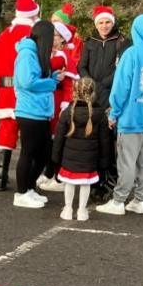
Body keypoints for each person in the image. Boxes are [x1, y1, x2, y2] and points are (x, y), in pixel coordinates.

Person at [96, 14, 143, 216]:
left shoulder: (131, 54)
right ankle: (140, 199)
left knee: (126, 161)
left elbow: (121, 87)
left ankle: (119, 200)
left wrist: (114, 111)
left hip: (130, 118)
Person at [0, 0, 41, 191]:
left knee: (6, 133)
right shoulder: (35, 36)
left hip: (5, 91)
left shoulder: (3, 35)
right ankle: (29, 180)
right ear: (34, 14)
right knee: (31, 137)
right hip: (28, 91)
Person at [11, 21, 64, 209]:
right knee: (28, 153)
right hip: (29, 111)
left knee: (43, 154)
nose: (56, 40)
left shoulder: (35, 53)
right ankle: (21, 192)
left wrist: (51, 77)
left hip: (39, 112)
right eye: (54, 36)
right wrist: (51, 82)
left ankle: (30, 187)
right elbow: (27, 82)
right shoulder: (27, 54)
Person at [52, 78, 112, 221]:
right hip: (89, 160)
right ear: (93, 94)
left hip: (69, 159)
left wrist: (56, 158)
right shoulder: (100, 114)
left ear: (75, 92)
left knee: (70, 183)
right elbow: (105, 141)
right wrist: (104, 162)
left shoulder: (67, 113)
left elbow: (59, 138)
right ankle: (82, 210)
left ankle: (67, 209)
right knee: (85, 184)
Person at [38, 21, 78, 192]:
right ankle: (48, 172)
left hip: (58, 102)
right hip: (47, 100)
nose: (52, 38)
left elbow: (70, 85)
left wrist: (65, 104)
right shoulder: (47, 53)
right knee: (47, 140)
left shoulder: (63, 56)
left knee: (57, 140)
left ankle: (57, 176)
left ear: (63, 40)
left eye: (55, 35)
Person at [79, 5, 131, 108]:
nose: (104, 26)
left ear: (113, 23)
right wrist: (91, 84)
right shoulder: (90, 42)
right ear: (96, 25)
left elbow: (123, 68)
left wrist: (103, 84)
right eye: (101, 23)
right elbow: (82, 66)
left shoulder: (122, 41)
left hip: (112, 91)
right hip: (91, 91)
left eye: (107, 22)